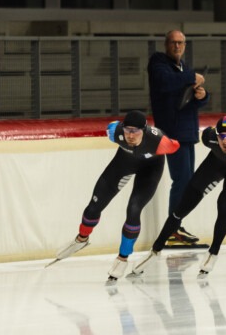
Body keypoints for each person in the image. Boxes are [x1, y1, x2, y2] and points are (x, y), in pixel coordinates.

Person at [131, 115, 226, 277]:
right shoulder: (209, 138)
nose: (225, 141)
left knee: (224, 204)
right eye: (221, 136)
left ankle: (213, 253)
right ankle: (155, 251)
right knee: (181, 208)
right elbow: (206, 133)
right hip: (216, 164)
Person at [50, 110, 180, 280]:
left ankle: (122, 258)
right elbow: (115, 128)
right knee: (94, 206)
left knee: (134, 209)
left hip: (151, 169)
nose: (130, 135)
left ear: (145, 130)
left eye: (135, 131)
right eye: (127, 130)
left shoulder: (160, 141)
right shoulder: (114, 131)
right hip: (124, 163)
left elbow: (177, 145)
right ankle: (81, 239)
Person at [147, 29, 210, 247]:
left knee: (187, 182)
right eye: (173, 43)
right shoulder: (158, 63)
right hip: (173, 133)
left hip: (187, 132)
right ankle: (172, 230)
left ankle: (176, 227)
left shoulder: (183, 68)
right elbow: (166, 83)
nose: (177, 46)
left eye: (180, 43)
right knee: (181, 181)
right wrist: (191, 78)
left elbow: (187, 97)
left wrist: (202, 96)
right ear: (166, 45)